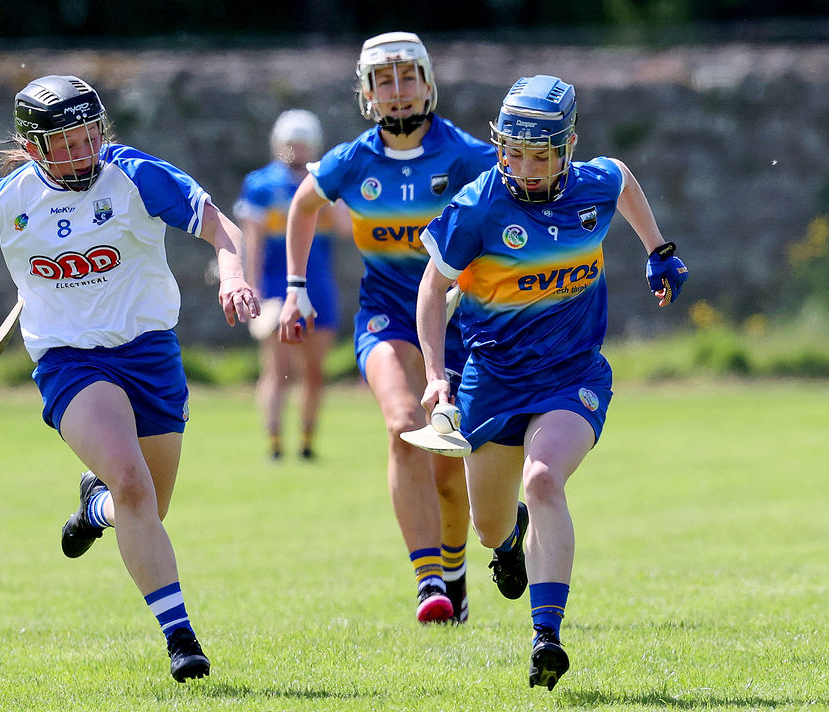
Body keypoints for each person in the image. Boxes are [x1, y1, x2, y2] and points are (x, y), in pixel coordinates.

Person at [0, 75, 259, 683]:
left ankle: (96, 508)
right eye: (67, 144)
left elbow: (219, 227)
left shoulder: (135, 176)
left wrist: (234, 274)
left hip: (150, 352)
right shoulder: (10, 201)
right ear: (35, 148)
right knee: (134, 482)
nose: (83, 154)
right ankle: (181, 639)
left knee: (146, 506)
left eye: (90, 138)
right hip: (69, 362)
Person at [416, 74, 688, 689]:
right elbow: (432, 290)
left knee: (542, 480)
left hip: (574, 374)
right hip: (492, 381)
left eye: (541, 155)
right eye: (514, 151)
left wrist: (657, 250)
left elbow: (621, 178)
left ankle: (547, 637)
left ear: (567, 147)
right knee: (489, 526)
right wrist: (436, 374)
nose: (527, 167)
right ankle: (509, 540)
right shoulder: (478, 206)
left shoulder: (591, 184)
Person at [278, 32, 505, 625]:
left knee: (450, 471)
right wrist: (295, 290)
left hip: (458, 322)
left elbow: (515, 211)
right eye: (383, 81)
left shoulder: (467, 156)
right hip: (384, 311)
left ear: (428, 84)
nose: (397, 92)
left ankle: (454, 575)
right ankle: (428, 579)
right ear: (366, 94)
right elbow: (304, 207)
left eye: (408, 78)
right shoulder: (353, 160)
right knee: (403, 424)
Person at [234, 110, 349, 460]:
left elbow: (345, 229)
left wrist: (337, 189)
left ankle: (306, 442)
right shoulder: (261, 184)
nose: (295, 152)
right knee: (276, 369)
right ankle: (274, 443)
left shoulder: (324, 184)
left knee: (314, 372)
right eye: (289, 145)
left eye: (302, 145)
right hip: (274, 288)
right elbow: (251, 242)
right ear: (277, 145)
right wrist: (252, 287)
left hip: (319, 288)